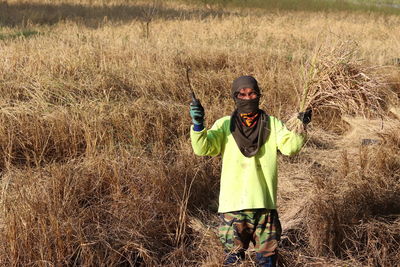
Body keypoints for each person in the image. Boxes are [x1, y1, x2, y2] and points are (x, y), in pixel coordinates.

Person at [189, 76, 312, 266]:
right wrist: (198, 124)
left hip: (265, 207)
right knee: (233, 261)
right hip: (233, 209)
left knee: (268, 261)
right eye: (242, 94)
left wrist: (300, 127)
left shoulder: (272, 123)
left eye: (252, 93)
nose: (248, 98)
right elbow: (202, 148)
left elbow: (290, 148)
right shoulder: (224, 125)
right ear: (235, 97)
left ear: (259, 95)